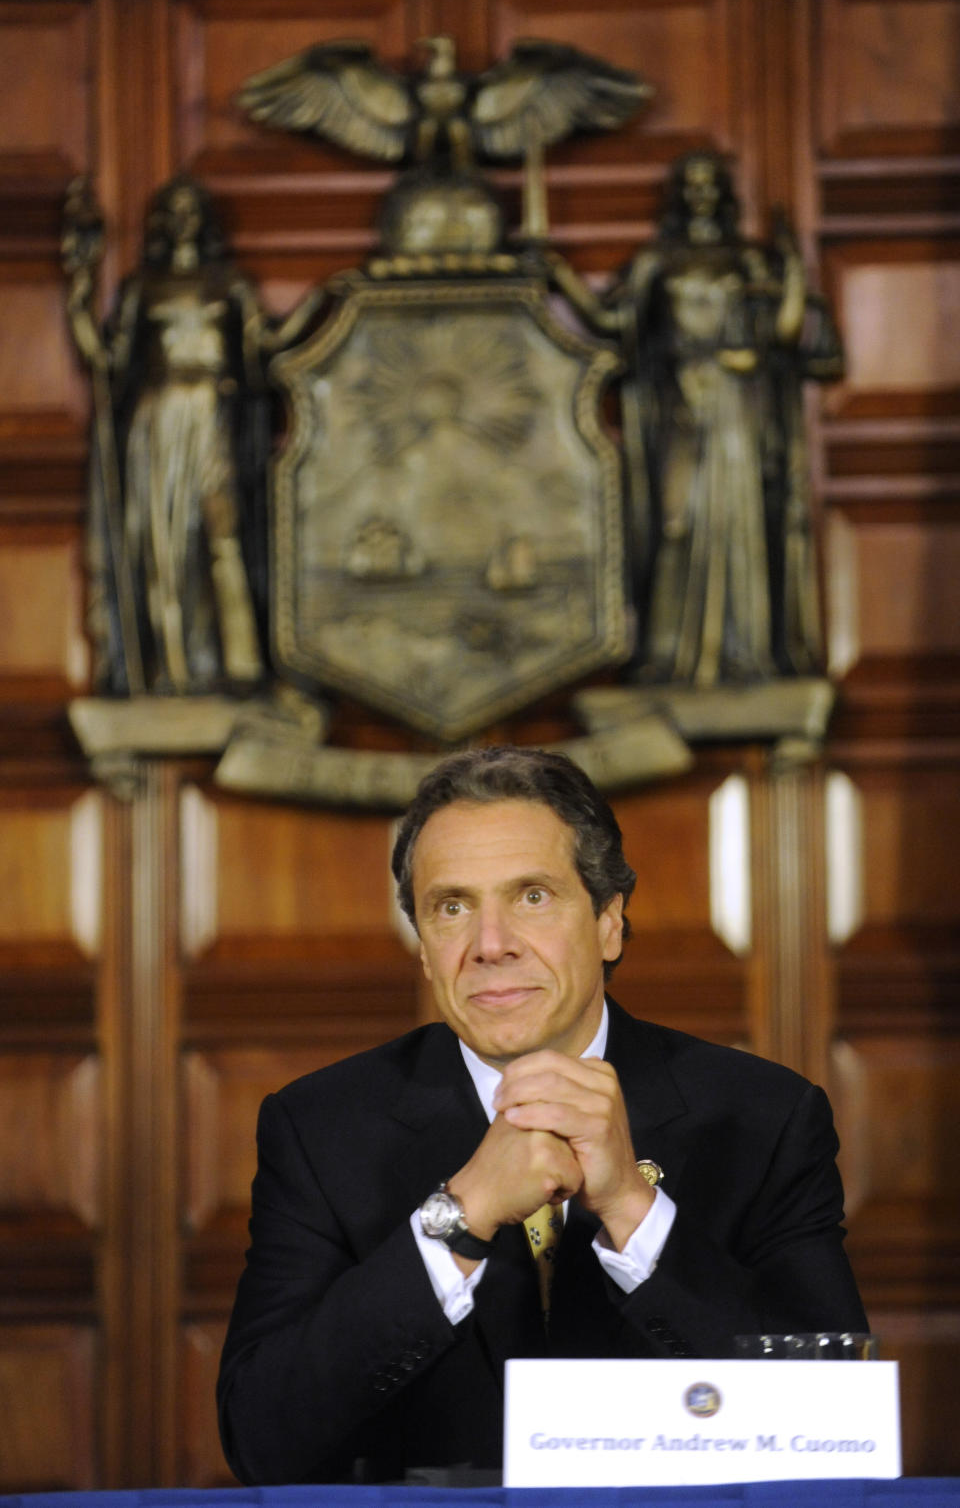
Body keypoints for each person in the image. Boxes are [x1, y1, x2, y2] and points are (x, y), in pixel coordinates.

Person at [218, 744, 866, 1484]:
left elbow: (835, 1425)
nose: (490, 945)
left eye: (532, 896)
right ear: (425, 950)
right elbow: (261, 1439)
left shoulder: (765, 1117)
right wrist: (458, 1218)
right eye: (452, 907)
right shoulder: (320, 1128)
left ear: (609, 923)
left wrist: (632, 1205)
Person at [63, 174, 325, 694]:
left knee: (220, 532)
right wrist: (79, 288)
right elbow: (105, 359)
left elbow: (266, 344)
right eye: (173, 210)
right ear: (162, 221)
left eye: (192, 209)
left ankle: (237, 662)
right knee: (160, 540)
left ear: (206, 220)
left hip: (213, 416)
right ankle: (171, 667)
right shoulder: (141, 288)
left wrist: (321, 304)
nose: (184, 220)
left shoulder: (230, 284)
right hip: (156, 421)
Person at [606, 151, 842, 684]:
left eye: (709, 184)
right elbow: (613, 324)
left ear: (724, 192)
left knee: (742, 523)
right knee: (675, 520)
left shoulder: (747, 259)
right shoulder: (655, 259)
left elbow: (780, 326)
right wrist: (554, 274)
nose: (700, 194)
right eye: (689, 185)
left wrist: (793, 275)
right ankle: (669, 655)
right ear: (676, 195)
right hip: (680, 406)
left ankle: (746, 653)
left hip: (739, 405)